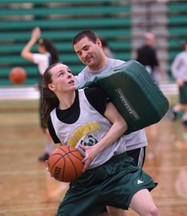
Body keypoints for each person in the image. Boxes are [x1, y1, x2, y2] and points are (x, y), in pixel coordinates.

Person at [42, 62, 159, 216]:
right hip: (85, 181)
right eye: (61, 74)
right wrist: (56, 167)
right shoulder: (53, 120)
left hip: (116, 169)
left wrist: (96, 149)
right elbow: (67, 152)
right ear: (52, 86)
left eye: (69, 71)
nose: (69, 75)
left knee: (151, 211)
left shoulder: (92, 95)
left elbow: (121, 123)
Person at [73, 30, 149, 216]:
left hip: (130, 145)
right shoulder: (81, 81)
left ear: (98, 43)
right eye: (79, 53)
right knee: (102, 209)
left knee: (116, 204)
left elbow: (144, 106)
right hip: (100, 151)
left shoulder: (124, 70)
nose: (84, 55)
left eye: (86, 48)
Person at [21, 27, 60, 161]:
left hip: (47, 96)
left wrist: (33, 39)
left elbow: (24, 53)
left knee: (46, 126)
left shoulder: (43, 57)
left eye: (39, 45)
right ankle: (49, 151)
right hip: (53, 93)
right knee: (50, 124)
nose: (38, 47)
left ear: (43, 47)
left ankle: (55, 152)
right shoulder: (51, 58)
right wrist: (41, 84)